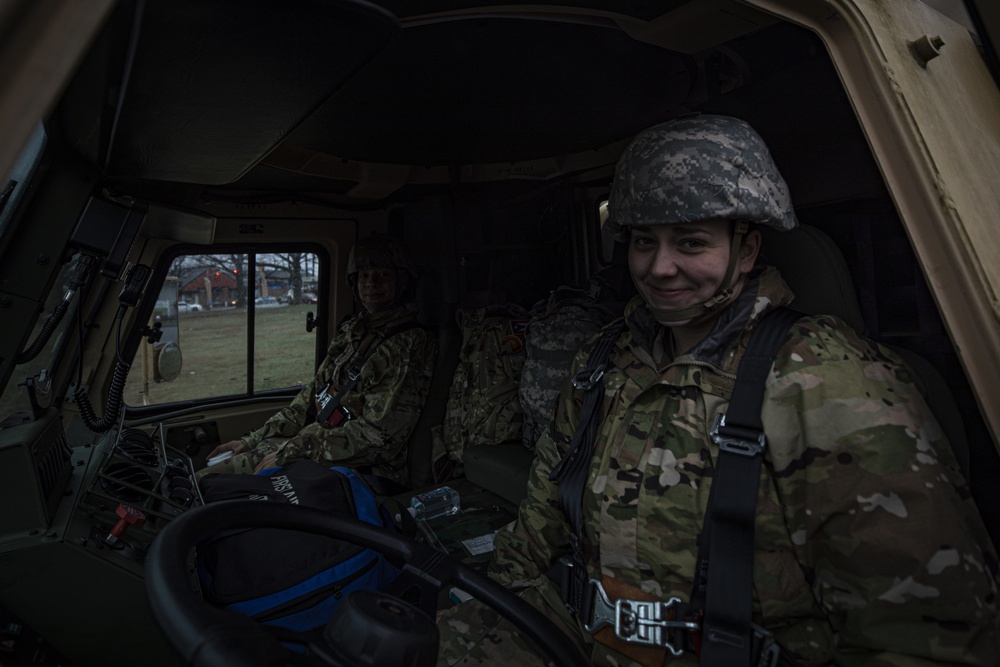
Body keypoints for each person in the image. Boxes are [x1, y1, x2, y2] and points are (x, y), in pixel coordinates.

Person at [436, 115, 999, 665]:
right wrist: (501, 598)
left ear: (747, 250)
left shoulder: (826, 378)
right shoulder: (605, 357)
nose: (660, 268)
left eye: (690, 242)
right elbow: (543, 514)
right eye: (642, 242)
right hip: (575, 631)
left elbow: (923, 632)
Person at [198, 234, 436, 488]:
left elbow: (379, 438)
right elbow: (313, 397)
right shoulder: (353, 332)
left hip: (363, 468)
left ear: (402, 281)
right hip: (320, 448)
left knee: (212, 485)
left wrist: (294, 451)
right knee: (207, 478)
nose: (371, 283)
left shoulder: (407, 343)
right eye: (364, 275)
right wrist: (252, 441)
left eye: (383, 275)